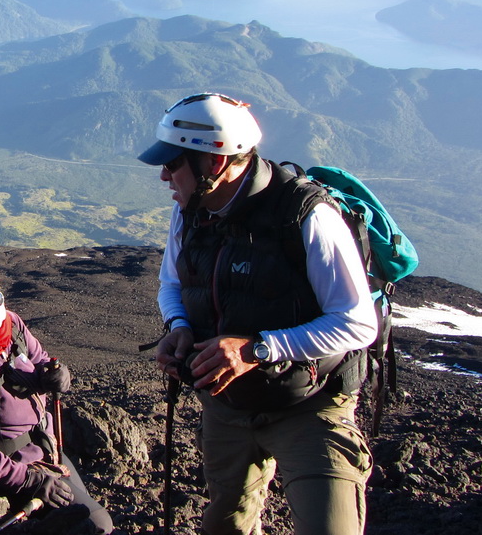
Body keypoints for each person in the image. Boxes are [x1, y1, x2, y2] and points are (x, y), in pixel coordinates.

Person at [137, 92, 378, 535]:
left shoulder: (306, 215)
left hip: (310, 406)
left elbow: (358, 322)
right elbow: (172, 284)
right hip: (228, 407)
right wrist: (180, 327)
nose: (164, 177)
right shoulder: (189, 212)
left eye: (173, 164)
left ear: (214, 163)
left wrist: (258, 349)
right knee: (225, 525)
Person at [0, 262, 114, 534]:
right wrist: (32, 482)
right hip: (19, 471)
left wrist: (54, 374)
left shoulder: (13, 326)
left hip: (48, 450)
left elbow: (41, 360)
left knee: (92, 518)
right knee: (97, 525)